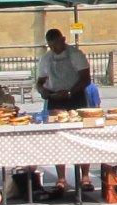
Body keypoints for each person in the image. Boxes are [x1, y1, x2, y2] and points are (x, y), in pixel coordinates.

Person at [34, 28, 93, 194]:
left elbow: (86, 79)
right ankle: (61, 178)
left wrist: (70, 92)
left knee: (81, 136)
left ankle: (85, 176)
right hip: (55, 98)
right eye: (51, 46)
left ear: (63, 40)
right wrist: (43, 91)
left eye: (57, 45)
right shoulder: (46, 59)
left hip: (76, 97)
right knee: (57, 137)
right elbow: (40, 81)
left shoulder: (76, 54)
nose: (55, 49)